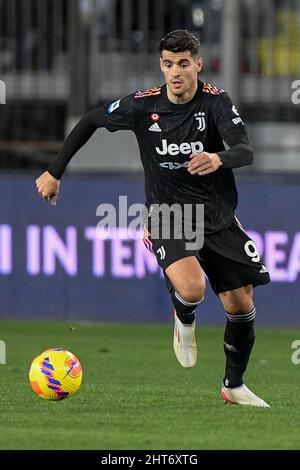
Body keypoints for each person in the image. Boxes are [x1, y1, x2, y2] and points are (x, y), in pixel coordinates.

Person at [36, 29, 271, 407]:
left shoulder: (216, 103)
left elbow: (245, 150)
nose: (175, 71)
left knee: (241, 304)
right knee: (193, 289)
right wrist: (54, 171)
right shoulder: (143, 106)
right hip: (169, 214)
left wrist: (217, 158)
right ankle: (184, 316)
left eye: (182, 63)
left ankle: (234, 385)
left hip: (218, 217)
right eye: (167, 64)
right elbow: (91, 120)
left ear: (197, 63)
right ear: (161, 65)